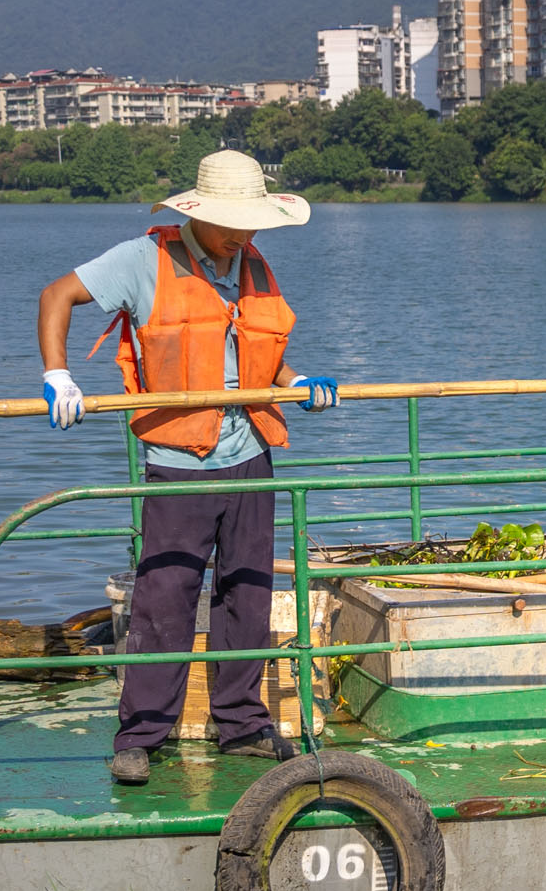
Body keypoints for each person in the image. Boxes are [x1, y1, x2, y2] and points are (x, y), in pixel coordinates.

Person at [33, 150, 339, 786]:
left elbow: (255, 355)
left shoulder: (252, 263)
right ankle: (142, 732)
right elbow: (57, 295)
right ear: (197, 213)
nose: (242, 235)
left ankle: (243, 724)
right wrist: (58, 374)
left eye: (251, 223)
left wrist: (297, 380)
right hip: (179, 460)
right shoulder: (144, 261)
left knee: (248, 591)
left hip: (250, 452)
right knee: (165, 598)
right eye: (231, 222)